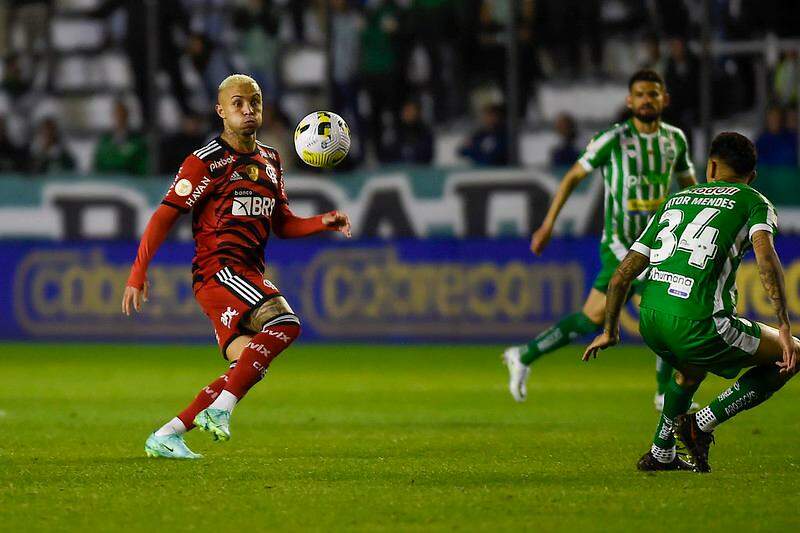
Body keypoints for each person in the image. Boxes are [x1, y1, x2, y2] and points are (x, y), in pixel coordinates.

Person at [122, 74, 352, 459]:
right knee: (285, 323)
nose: (248, 111)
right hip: (220, 271)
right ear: (221, 111)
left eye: (255, 103)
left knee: (249, 362)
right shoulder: (206, 162)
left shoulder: (271, 159)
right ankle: (221, 410)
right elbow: (164, 216)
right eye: (238, 104)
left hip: (246, 274)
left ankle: (168, 434)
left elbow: (282, 223)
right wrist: (137, 272)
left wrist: (321, 222)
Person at [583, 132, 798, 472]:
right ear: (751, 176)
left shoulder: (676, 199)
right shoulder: (754, 201)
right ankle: (701, 423)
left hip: (651, 321)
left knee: (689, 370)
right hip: (700, 322)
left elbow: (622, 274)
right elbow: (766, 258)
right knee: (795, 352)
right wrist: (784, 325)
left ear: (710, 166)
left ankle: (661, 451)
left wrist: (609, 330)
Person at [503, 70, 697, 410]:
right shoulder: (613, 138)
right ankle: (664, 392)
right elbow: (573, 176)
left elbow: (689, 187)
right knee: (667, 305)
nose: (646, 100)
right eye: (640, 94)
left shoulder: (675, 140)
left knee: (592, 317)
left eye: (653, 94)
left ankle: (523, 353)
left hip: (658, 242)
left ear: (664, 99)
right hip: (620, 243)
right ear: (629, 101)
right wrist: (548, 224)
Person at [93, 100, 148, 175]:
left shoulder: (137, 142)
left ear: (127, 116)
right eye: (117, 115)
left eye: (122, 115)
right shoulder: (105, 141)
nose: (119, 119)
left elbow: (143, 169)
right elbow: (97, 166)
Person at [378, 99, 434, 164]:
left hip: (420, 168)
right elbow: (385, 154)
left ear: (417, 112)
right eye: (406, 110)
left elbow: (428, 155)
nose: (408, 113)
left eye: (411, 110)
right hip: (398, 169)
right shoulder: (394, 130)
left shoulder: (425, 131)